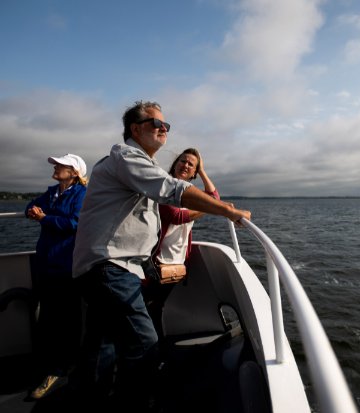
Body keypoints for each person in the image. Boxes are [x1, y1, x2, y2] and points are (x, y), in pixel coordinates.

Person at [70, 101, 251, 410]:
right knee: (144, 344)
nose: (164, 129)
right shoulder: (127, 157)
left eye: (167, 126)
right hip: (110, 267)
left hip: (105, 267)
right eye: (157, 124)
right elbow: (173, 190)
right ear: (136, 129)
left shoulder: (134, 164)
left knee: (103, 345)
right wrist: (229, 212)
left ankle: (92, 401)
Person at [25, 153, 88, 400]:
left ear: (74, 171)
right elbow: (31, 205)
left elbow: (75, 222)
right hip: (45, 262)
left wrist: (45, 218)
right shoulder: (53, 191)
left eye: (61, 165)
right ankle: (48, 366)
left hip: (67, 263)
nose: (56, 167)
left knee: (66, 318)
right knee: (47, 317)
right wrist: (32, 211)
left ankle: (62, 368)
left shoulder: (81, 194)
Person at [143, 148, 219, 347]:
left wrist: (202, 171)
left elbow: (214, 197)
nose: (185, 165)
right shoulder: (163, 188)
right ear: (175, 164)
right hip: (156, 262)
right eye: (183, 161)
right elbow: (176, 217)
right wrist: (208, 207)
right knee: (149, 309)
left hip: (177, 263)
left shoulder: (190, 194)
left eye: (191, 164)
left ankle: (154, 352)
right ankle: (150, 353)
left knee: (156, 307)